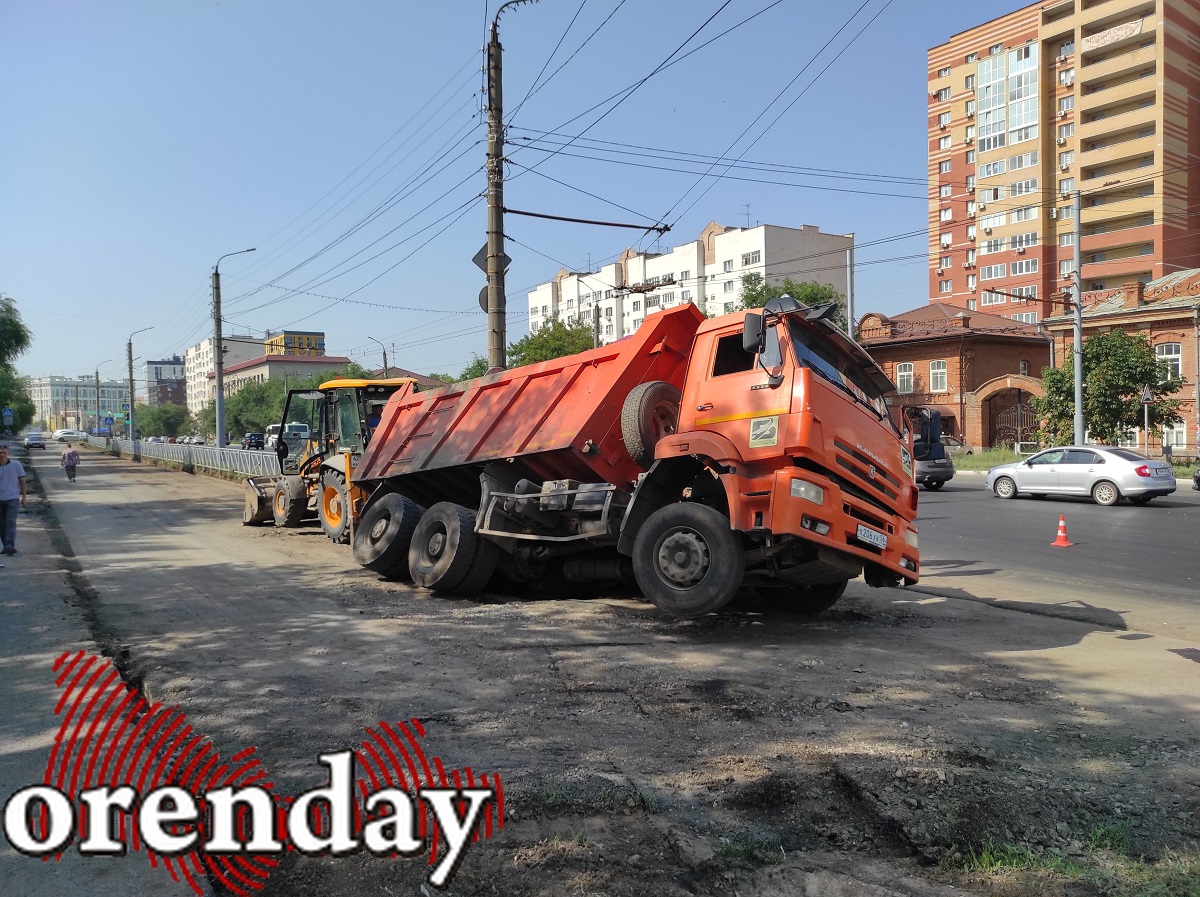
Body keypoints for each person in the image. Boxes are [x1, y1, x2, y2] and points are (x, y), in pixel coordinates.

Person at [0, 443, 29, 555]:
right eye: (0, 453)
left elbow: (22, 481)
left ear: (8, 453)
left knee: (11, 522)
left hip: (12, 498)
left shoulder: (16, 465)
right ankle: (5, 546)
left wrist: (24, 498)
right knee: (1, 524)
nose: (2, 455)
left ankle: (10, 545)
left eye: (4, 453)